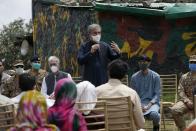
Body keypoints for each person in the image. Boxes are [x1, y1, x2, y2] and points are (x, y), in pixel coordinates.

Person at [96, 59, 145, 130]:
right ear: (124, 75)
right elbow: (141, 123)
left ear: (108, 73)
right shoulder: (131, 93)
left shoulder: (96, 92)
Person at [130, 55, 161, 131]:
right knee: (131, 115)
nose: (142, 63)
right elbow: (132, 94)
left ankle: (156, 127)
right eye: (140, 62)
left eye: (144, 62)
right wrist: (139, 105)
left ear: (149, 63)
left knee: (155, 115)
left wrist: (148, 105)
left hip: (152, 103)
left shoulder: (156, 76)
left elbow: (157, 94)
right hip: (138, 103)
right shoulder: (134, 77)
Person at [170, 55, 196, 131]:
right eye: (191, 62)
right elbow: (180, 91)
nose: (193, 64)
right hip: (187, 101)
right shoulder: (184, 77)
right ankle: (184, 129)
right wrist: (187, 101)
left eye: (195, 62)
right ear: (189, 63)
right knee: (174, 110)